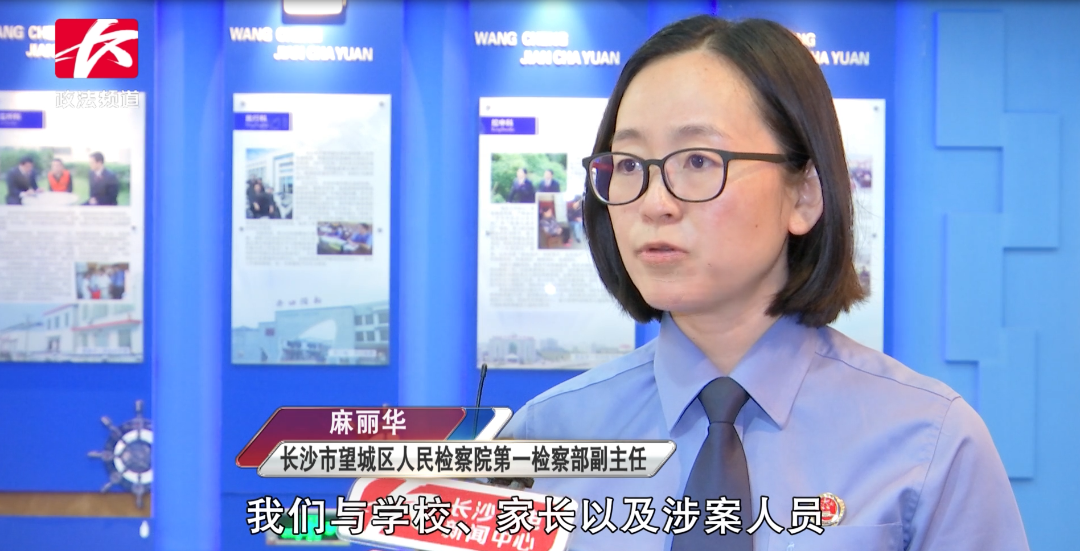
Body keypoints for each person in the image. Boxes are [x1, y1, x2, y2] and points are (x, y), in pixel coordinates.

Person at [498, 15, 1028, 551]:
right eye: (630, 164)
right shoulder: (546, 434)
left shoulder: (931, 443)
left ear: (804, 194)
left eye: (698, 160)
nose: (655, 203)